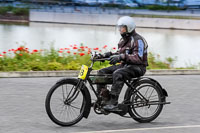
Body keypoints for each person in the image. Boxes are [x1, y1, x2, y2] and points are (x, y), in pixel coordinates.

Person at [97, 16, 149, 111]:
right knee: (101, 72)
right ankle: (103, 99)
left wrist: (122, 57)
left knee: (118, 73)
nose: (120, 29)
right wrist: (105, 55)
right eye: (119, 27)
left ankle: (113, 102)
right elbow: (119, 53)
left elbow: (138, 58)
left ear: (129, 28)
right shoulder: (123, 40)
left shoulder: (138, 40)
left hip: (138, 67)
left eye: (122, 27)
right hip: (125, 65)